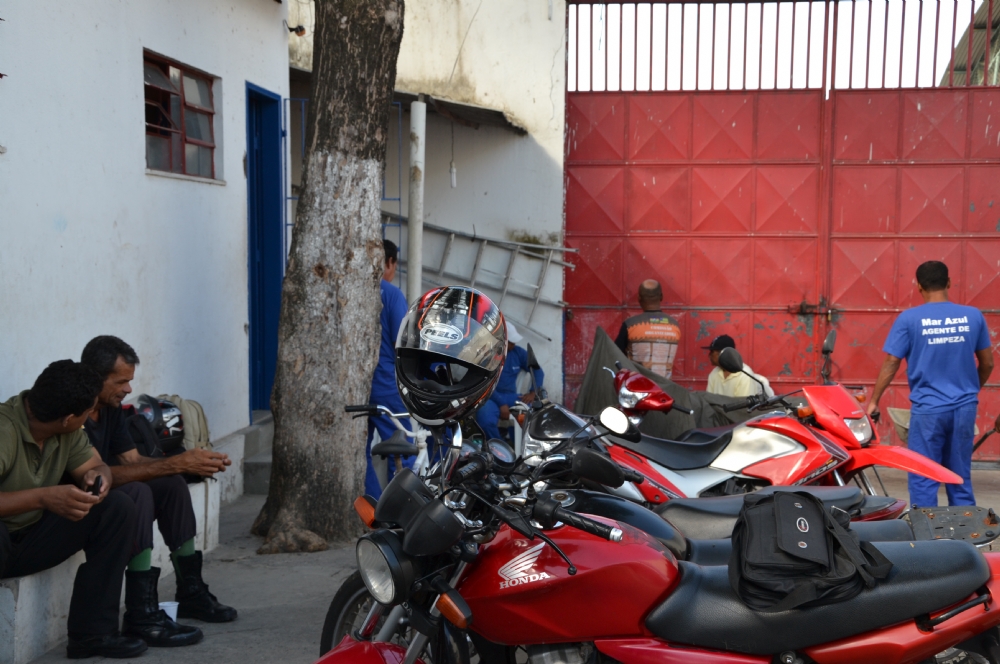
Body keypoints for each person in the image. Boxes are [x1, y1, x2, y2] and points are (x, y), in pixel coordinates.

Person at [81, 336, 237, 649]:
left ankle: (191, 591)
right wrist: (176, 462)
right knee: (138, 492)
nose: (128, 389)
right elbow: (96, 475)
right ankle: (141, 613)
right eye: (121, 381)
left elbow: (132, 461)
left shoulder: (111, 409)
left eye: (130, 381)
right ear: (94, 378)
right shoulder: (75, 412)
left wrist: (189, 464)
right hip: (83, 497)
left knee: (172, 483)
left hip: (111, 490)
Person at [0, 360, 146, 659]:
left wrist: (98, 478)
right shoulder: (5, 430)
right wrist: (43, 498)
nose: (87, 420)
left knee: (117, 507)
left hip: (30, 540)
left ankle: (93, 635)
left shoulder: (67, 429)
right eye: (85, 414)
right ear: (67, 418)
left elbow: (96, 465)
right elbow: (43, 499)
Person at [867, 261, 994, 507]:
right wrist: (969, 392)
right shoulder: (973, 316)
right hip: (964, 408)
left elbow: (892, 362)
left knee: (923, 476)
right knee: (959, 476)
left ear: (919, 286)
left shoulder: (909, 319)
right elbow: (988, 364)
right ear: (949, 282)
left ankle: (926, 530)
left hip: (928, 411)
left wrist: (874, 400)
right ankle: (965, 529)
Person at [365, 239, 412, 498]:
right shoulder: (392, 295)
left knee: (359, 455)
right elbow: (402, 344)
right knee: (402, 453)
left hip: (358, 389)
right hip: (385, 387)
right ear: (389, 263)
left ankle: (371, 508)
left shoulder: (354, 291)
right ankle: (400, 509)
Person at [475, 321, 544, 441]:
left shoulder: (518, 352)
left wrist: (533, 392)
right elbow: (484, 384)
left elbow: (537, 371)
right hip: (490, 397)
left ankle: (519, 445)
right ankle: (498, 447)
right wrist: (502, 404)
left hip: (512, 397)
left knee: (535, 414)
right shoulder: (486, 354)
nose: (513, 345)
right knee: (485, 421)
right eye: (511, 342)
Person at [615, 279, 682, 379]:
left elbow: (615, 355)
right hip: (665, 386)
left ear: (639, 298)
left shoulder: (630, 325)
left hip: (637, 385)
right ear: (661, 296)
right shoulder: (674, 325)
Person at [704, 335, 774, 398]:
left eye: (712, 352)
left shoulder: (744, 375)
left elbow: (744, 406)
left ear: (724, 354)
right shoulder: (714, 373)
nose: (709, 355)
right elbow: (708, 400)